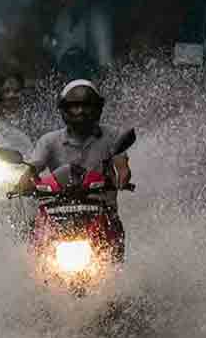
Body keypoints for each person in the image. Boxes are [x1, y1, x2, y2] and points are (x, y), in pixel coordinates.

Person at [19, 80, 131, 257]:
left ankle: (119, 279)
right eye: (74, 106)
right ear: (64, 109)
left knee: (115, 252)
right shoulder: (49, 141)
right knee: (33, 238)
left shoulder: (113, 135)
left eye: (87, 106)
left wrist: (122, 180)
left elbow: (122, 166)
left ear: (97, 108)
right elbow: (33, 168)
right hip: (57, 213)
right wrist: (24, 183)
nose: (80, 111)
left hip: (101, 213)